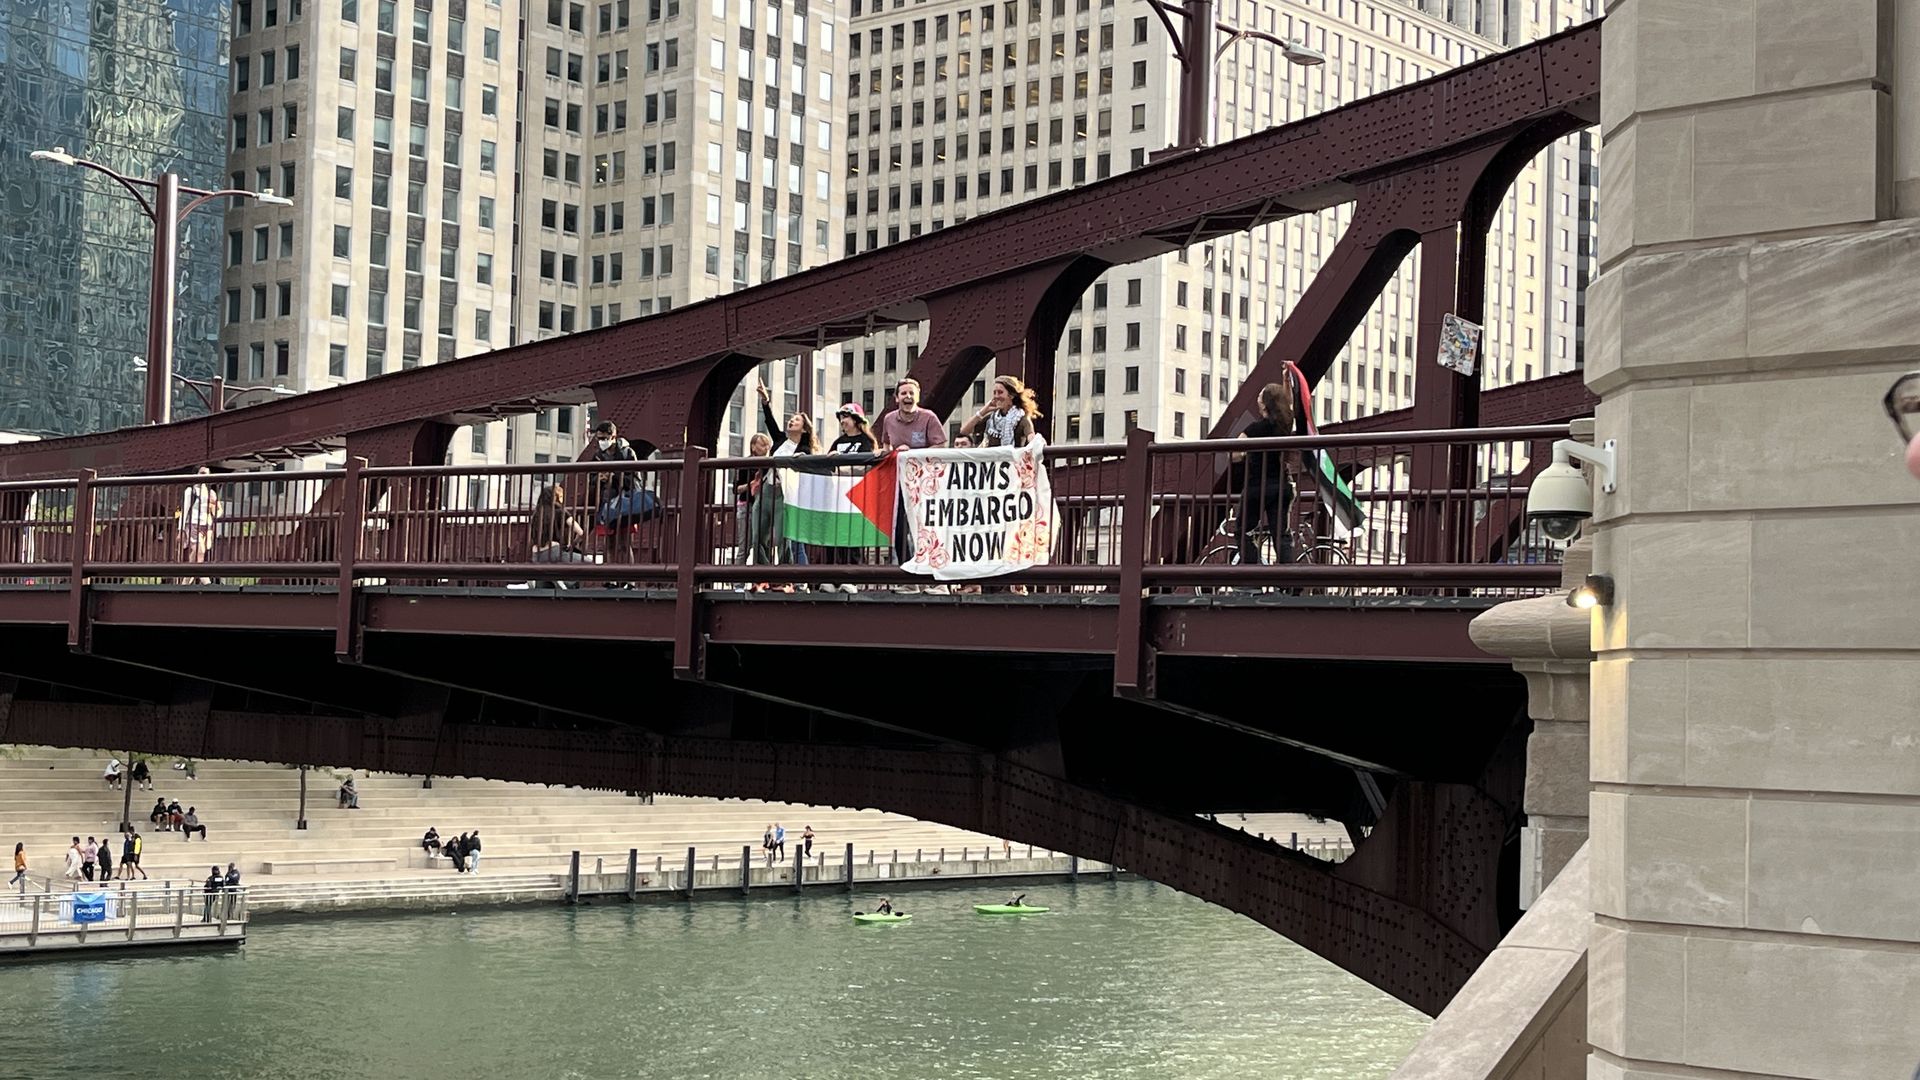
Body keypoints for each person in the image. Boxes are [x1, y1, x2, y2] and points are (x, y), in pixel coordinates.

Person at [876, 378, 950, 591]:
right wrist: (887, 453)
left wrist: (914, 455)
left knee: (927, 529)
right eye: (904, 393)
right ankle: (910, 579)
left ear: (917, 397)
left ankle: (937, 581)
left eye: (911, 393)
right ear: (896, 397)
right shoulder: (889, 419)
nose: (908, 397)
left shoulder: (928, 417)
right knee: (899, 529)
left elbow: (941, 445)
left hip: (926, 483)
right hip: (900, 482)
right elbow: (886, 444)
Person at [1230, 378, 1297, 566]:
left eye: (1260, 395)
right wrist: (1285, 378)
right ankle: (1290, 584)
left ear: (1264, 403)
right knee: (1281, 534)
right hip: (1282, 485)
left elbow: (1235, 454)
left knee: (1244, 531)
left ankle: (1251, 579)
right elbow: (1288, 402)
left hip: (1257, 486)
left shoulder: (1255, 429)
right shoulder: (1285, 425)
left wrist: (1244, 455)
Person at [758, 380, 820, 571]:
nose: (791, 421)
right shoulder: (780, 440)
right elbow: (770, 422)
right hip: (769, 489)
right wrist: (765, 402)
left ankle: (798, 577)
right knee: (761, 535)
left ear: (803, 429)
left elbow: (808, 472)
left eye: (796, 421)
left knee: (790, 539)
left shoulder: (804, 449)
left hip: (789, 495)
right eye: (791, 419)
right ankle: (766, 574)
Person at [733, 432, 780, 588]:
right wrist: (752, 484)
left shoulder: (770, 464)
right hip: (747, 506)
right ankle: (738, 584)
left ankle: (762, 581)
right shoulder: (746, 464)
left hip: (763, 507)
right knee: (744, 546)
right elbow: (736, 489)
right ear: (753, 446)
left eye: (767, 444)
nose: (765, 447)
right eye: (762, 444)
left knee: (762, 544)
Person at [528, 483, 587, 588]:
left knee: (545, 585)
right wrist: (573, 543)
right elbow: (581, 532)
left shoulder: (536, 514)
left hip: (536, 554)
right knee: (588, 563)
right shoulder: (560, 511)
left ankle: (539, 583)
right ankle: (566, 582)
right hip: (554, 551)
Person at [959, 375, 1041, 449]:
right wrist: (984, 411)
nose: (996, 396)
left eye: (1000, 392)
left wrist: (1037, 444)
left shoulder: (1021, 418)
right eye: (994, 393)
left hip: (1012, 463)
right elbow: (964, 431)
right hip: (992, 463)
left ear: (1011, 396)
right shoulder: (992, 419)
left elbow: (1031, 437)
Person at [179, 466, 222, 584]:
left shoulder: (211, 493)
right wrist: (181, 530)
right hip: (193, 524)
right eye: (202, 473)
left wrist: (213, 510)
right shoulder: (190, 491)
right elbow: (184, 511)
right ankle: (205, 580)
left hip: (206, 526)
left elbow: (219, 511)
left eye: (207, 474)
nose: (204, 476)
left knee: (197, 554)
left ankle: (186, 582)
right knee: (200, 549)